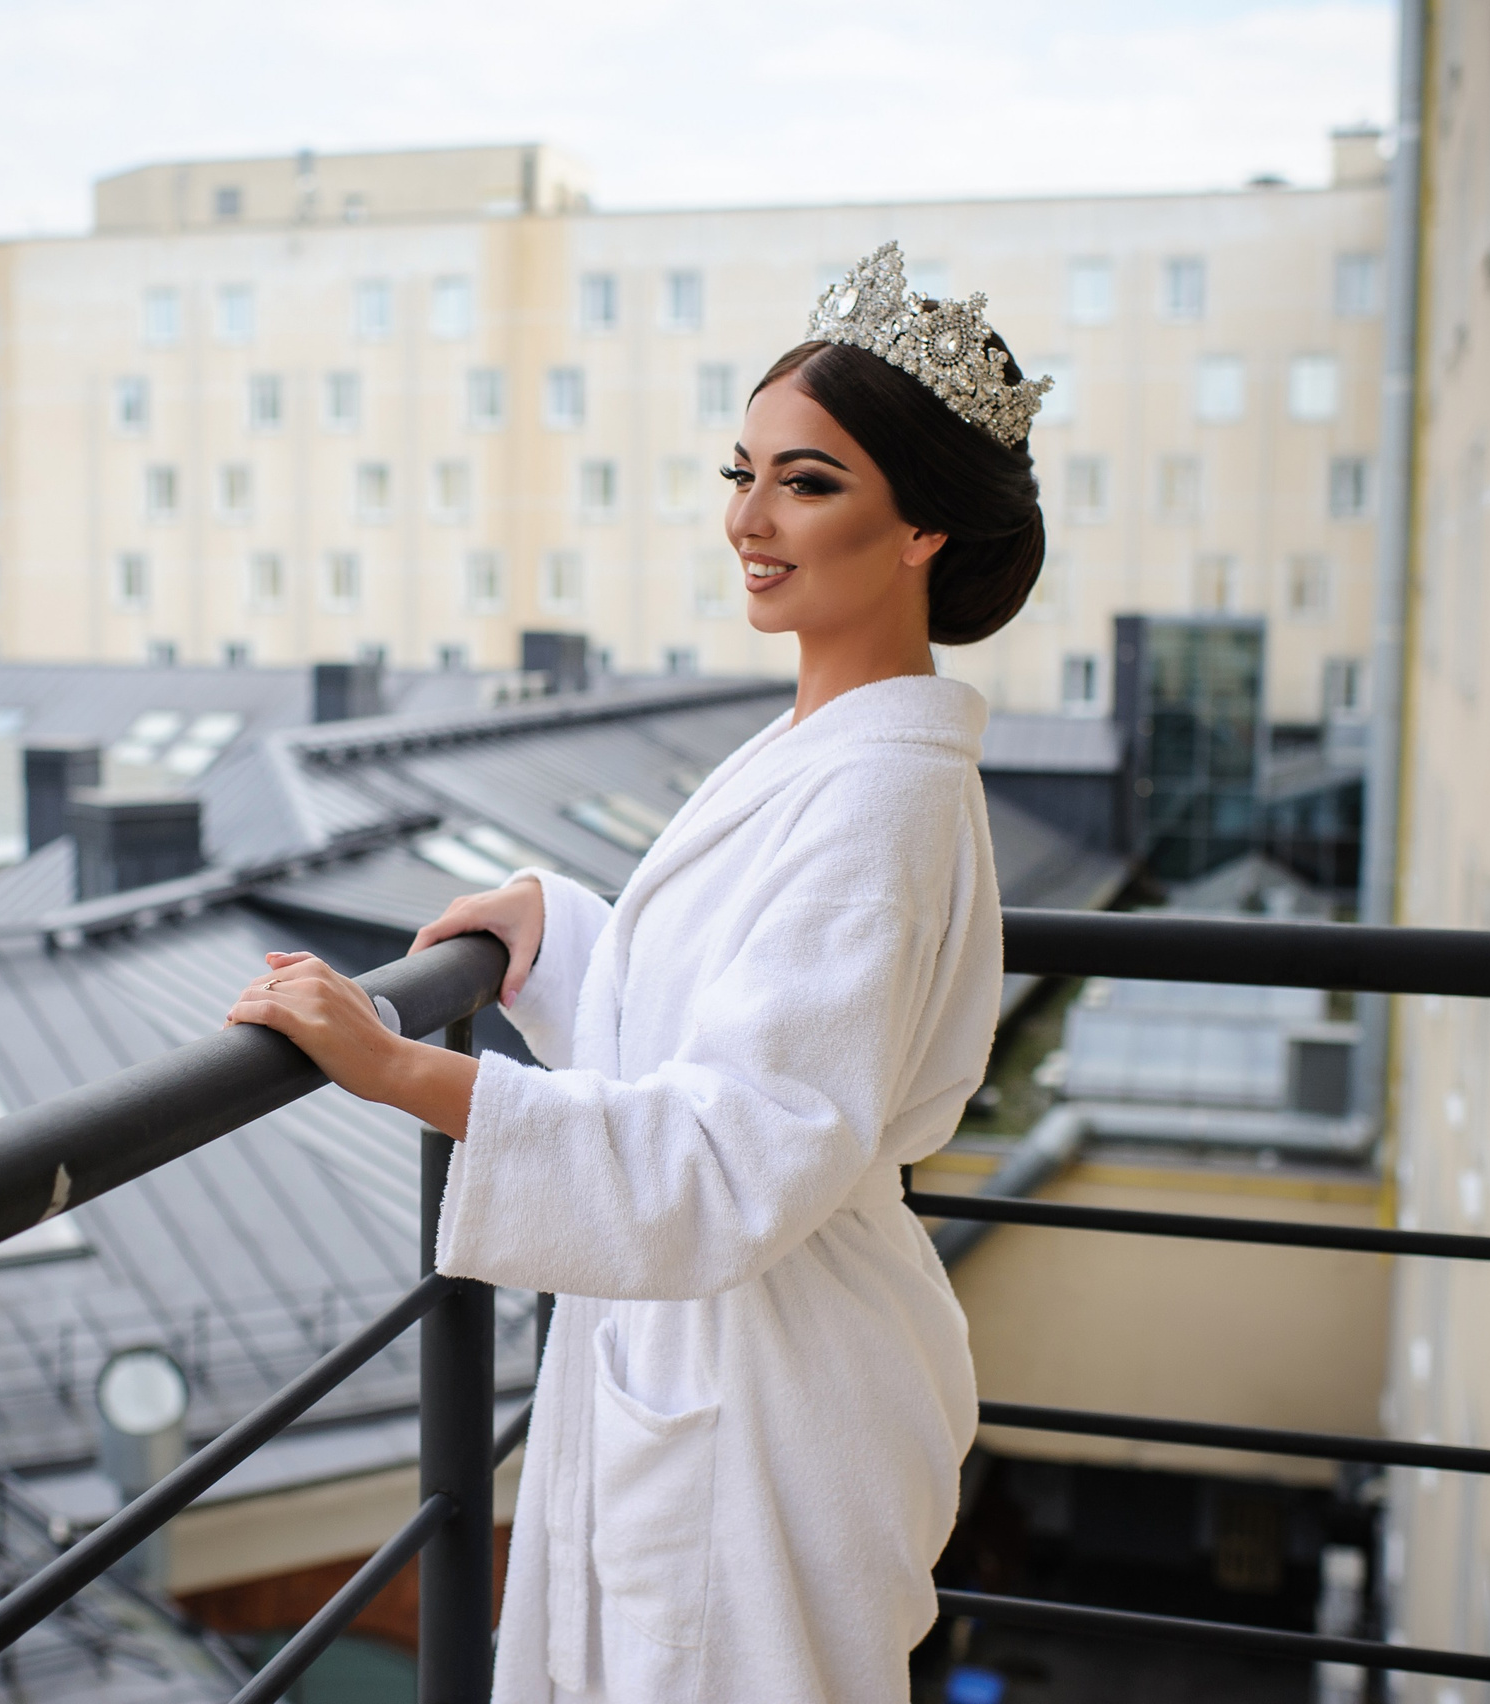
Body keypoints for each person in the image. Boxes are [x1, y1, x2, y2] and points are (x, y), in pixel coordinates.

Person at [227, 242, 1052, 1703]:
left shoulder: (882, 797)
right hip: (727, 1356)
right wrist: (565, 933)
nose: (749, 519)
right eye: (742, 473)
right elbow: (755, 1014)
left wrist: (402, 1068)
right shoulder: (828, 748)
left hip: (777, 1392)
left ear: (922, 527)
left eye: (807, 483)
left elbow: (738, 1147)